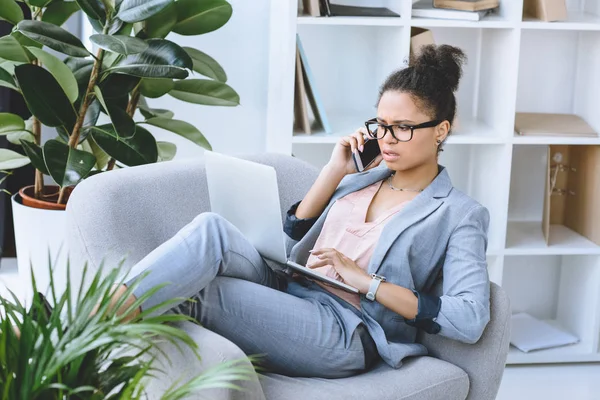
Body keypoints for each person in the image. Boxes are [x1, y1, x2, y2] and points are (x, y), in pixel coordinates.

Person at [109, 44, 491, 379]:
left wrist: (368, 283)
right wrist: (334, 170)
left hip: (345, 328)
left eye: (403, 128)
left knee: (194, 289)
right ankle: (88, 319)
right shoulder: (362, 180)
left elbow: (470, 317)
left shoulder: (460, 214)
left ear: (440, 131)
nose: (386, 139)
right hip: (292, 289)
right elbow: (291, 240)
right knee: (212, 229)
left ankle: (86, 336)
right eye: (381, 125)